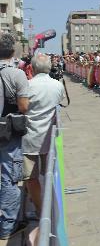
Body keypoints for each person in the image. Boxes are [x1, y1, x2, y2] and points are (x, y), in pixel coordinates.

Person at [23, 54, 65, 222]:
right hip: (50, 136)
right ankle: (52, 207)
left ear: (32, 68)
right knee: (49, 175)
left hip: (29, 137)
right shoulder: (57, 85)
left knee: (31, 178)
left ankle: (41, 211)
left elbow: (23, 107)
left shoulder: (27, 85)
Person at [0, 33, 29, 239]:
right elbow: (24, 106)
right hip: (6, 131)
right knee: (9, 177)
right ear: (12, 51)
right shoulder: (16, 74)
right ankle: (7, 226)